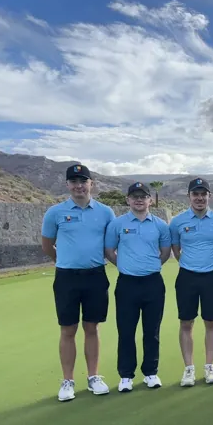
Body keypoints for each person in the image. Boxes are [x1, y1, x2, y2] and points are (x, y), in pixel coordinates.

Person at [41, 164, 116, 402]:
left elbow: (111, 244)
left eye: (83, 181)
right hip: (66, 277)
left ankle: (94, 377)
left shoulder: (106, 212)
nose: (78, 185)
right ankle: (68, 380)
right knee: (68, 329)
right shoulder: (55, 212)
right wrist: (63, 261)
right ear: (67, 185)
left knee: (92, 328)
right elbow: (47, 245)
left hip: (95, 275)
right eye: (73, 181)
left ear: (91, 183)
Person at [105, 182, 171, 393]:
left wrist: (149, 266)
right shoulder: (118, 224)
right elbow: (109, 250)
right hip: (127, 283)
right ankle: (126, 375)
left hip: (153, 282)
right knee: (126, 331)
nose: (139, 200)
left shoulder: (160, 225)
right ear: (128, 200)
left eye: (143, 196)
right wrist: (125, 266)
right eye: (135, 196)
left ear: (150, 200)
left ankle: (151, 372)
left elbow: (165, 252)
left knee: (151, 331)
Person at [169, 178, 213, 387]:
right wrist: (191, 263)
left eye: (203, 194)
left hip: (212, 277)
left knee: (211, 322)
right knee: (186, 323)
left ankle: (209, 366)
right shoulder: (177, 222)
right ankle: (189, 369)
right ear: (189, 196)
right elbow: (176, 249)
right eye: (196, 194)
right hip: (187, 277)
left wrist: (211, 265)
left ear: (209, 196)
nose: (200, 198)